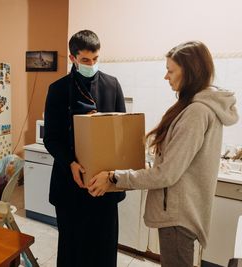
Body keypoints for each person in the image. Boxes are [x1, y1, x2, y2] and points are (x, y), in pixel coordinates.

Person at [89, 41, 239, 267]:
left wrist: (114, 177)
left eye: (170, 71)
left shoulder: (196, 112)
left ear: (190, 72)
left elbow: (166, 174)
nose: (166, 77)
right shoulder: (195, 106)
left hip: (178, 218)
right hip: (181, 214)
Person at [43, 29, 126, 267]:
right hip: (70, 183)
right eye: (85, 60)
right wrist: (70, 163)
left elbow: (122, 133)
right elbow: (51, 138)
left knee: (104, 247)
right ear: (73, 58)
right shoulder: (58, 90)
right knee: (72, 247)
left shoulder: (112, 85)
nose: (91, 64)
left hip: (104, 185)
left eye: (96, 59)